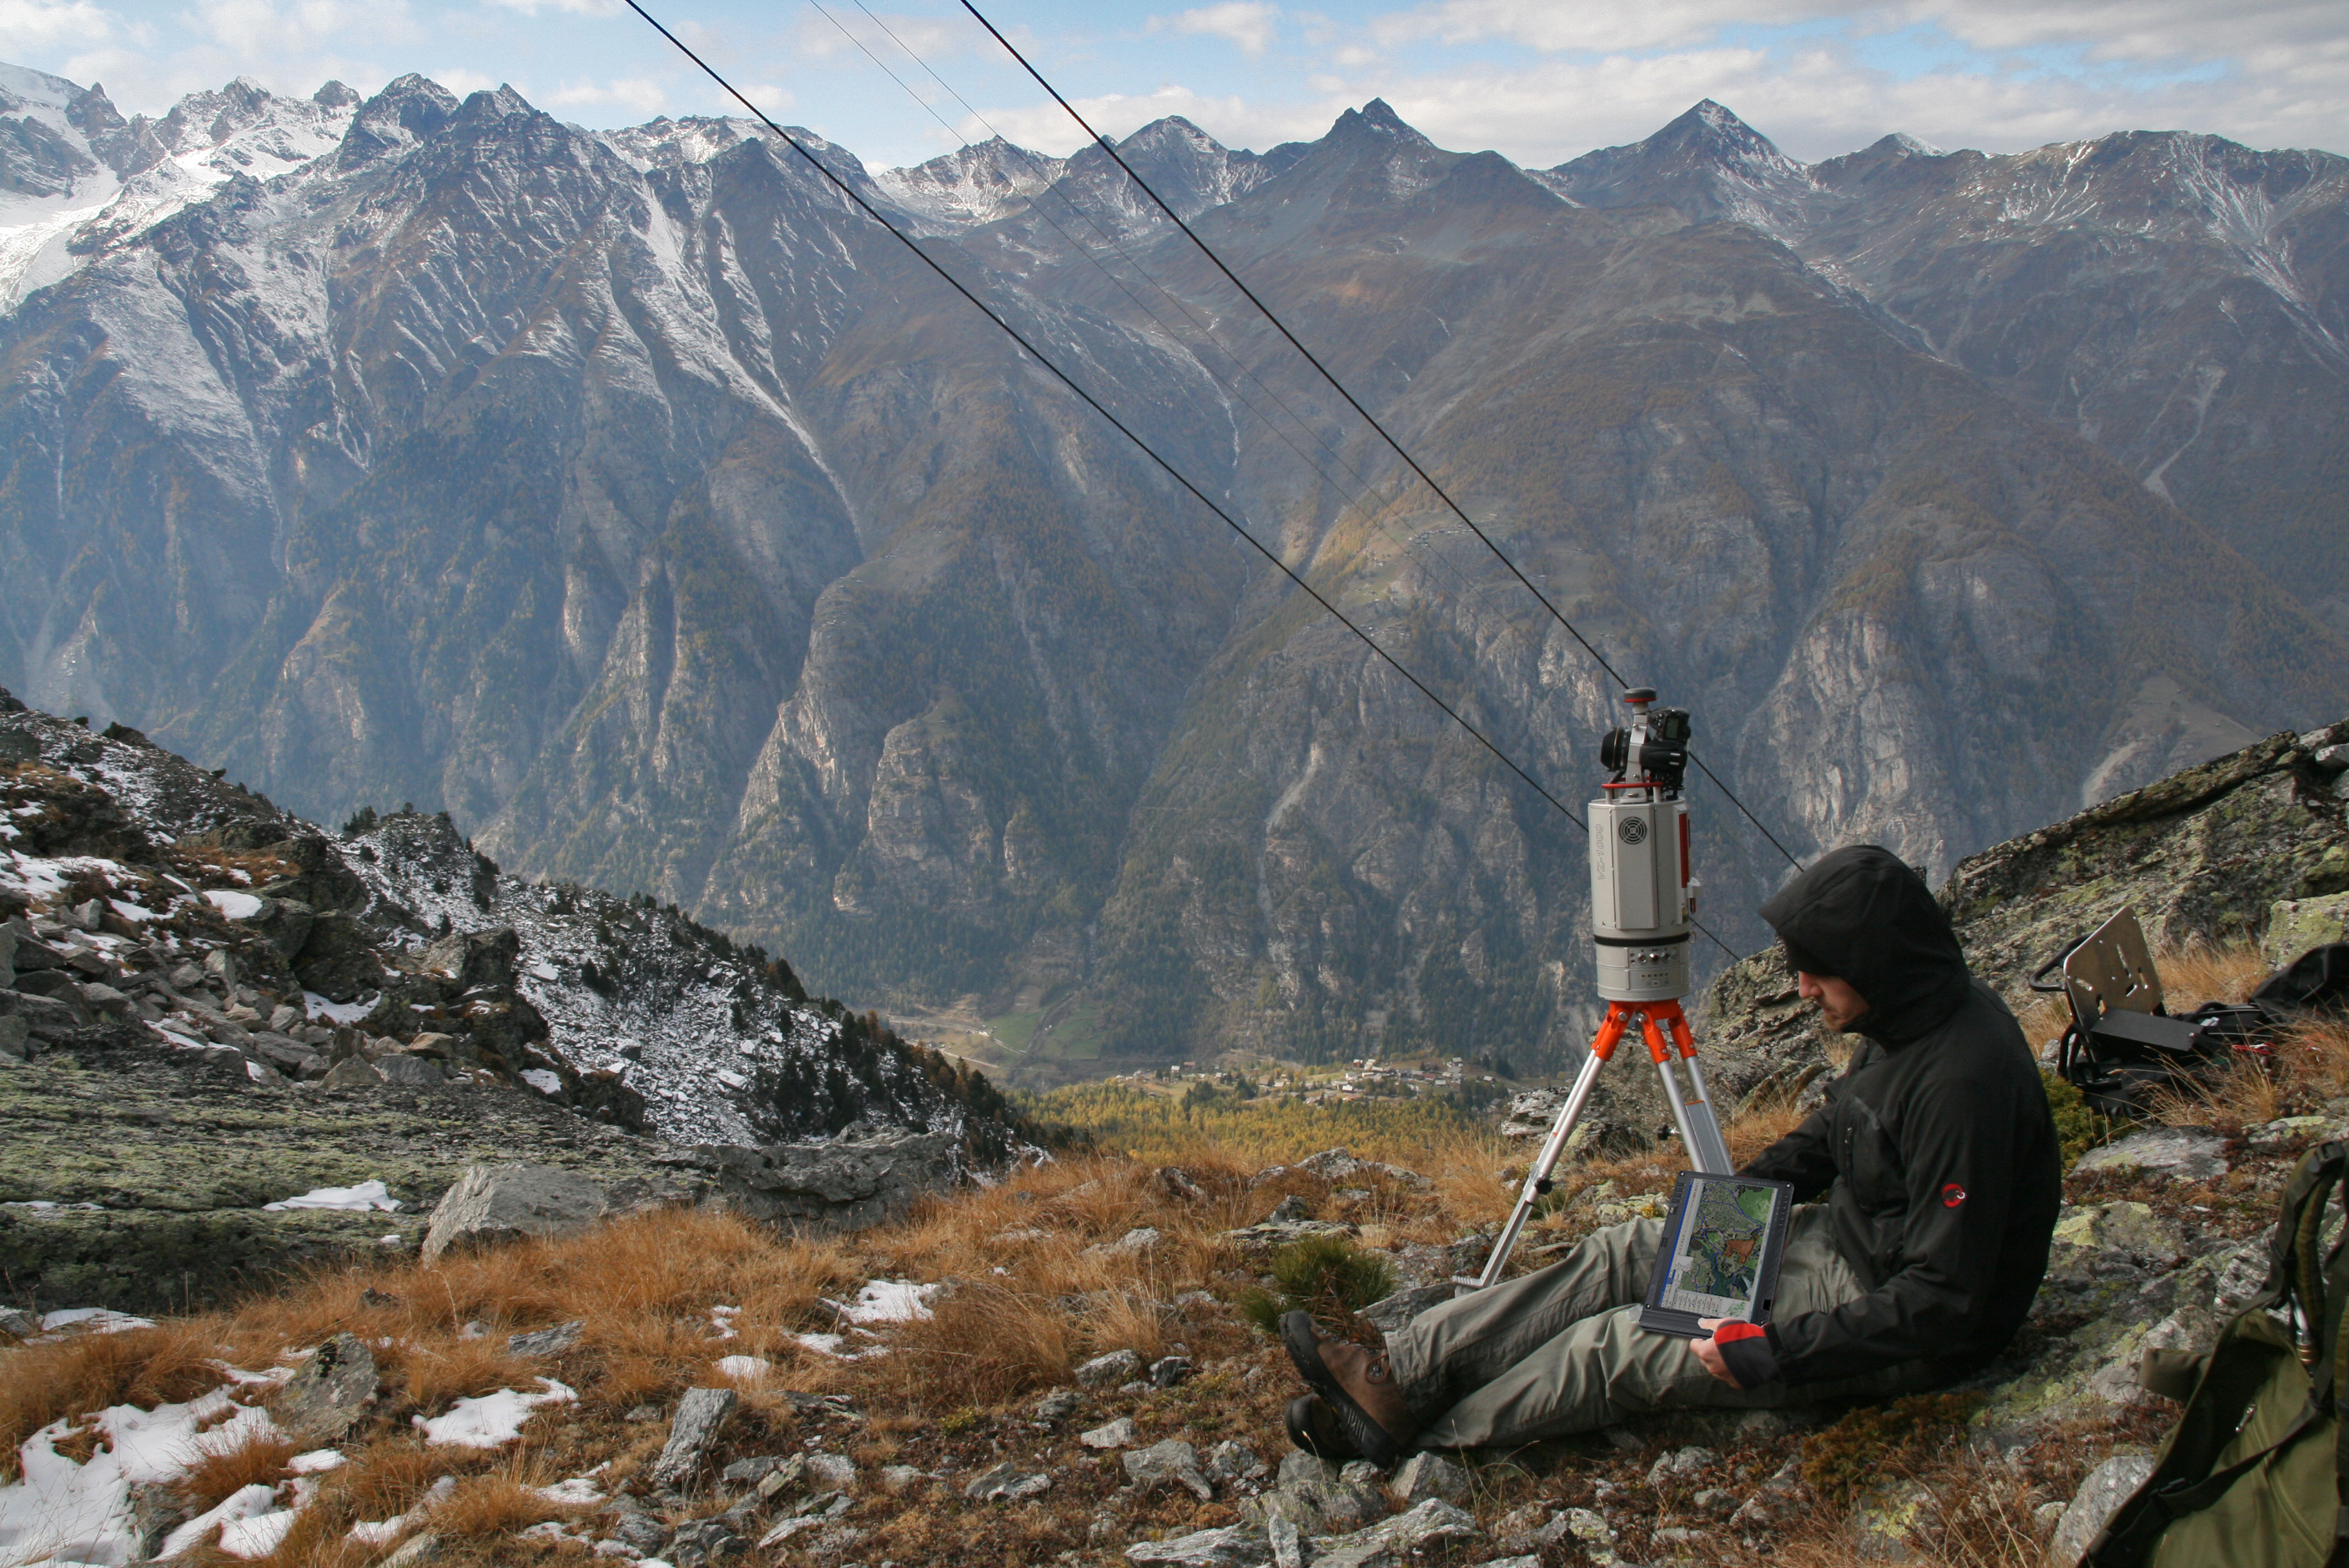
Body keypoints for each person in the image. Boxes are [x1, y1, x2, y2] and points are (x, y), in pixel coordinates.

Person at [1282, 845, 2063, 1465]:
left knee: (1622, 1342)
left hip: (1890, 1321)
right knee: (1623, 1254)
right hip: (1850, 1249)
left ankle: (1414, 1438)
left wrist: (1774, 1351)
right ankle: (1401, 1375)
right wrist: (1740, 1201)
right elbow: (1838, 1131)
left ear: (1877, 963)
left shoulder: (1964, 1081)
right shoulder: (1905, 1021)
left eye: (1818, 970)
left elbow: (1943, 1301)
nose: (1800, 989)